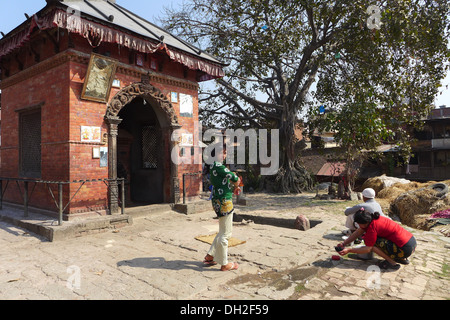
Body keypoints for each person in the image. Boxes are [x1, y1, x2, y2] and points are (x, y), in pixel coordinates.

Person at [337, 208, 417, 270]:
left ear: (364, 223)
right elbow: (358, 232)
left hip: (404, 249)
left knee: (374, 245)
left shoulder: (372, 228)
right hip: (411, 243)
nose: (357, 225)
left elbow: (369, 248)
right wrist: (344, 243)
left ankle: (392, 263)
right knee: (378, 240)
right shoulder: (374, 219)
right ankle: (401, 258)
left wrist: (349, 250)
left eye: (358, 223)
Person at [203, 146, 241, 271]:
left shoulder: (213, 166)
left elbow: (224, 181)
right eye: (222, 153)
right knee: (226, 234)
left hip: (218, 200)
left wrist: (233, 187)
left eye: (225, 153)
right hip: (224, 201)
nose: (224, 155)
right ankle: (224, 263)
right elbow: (234, 177)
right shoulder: (219, 166)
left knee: (222, 231)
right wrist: (237, 182)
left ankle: (210, 255)